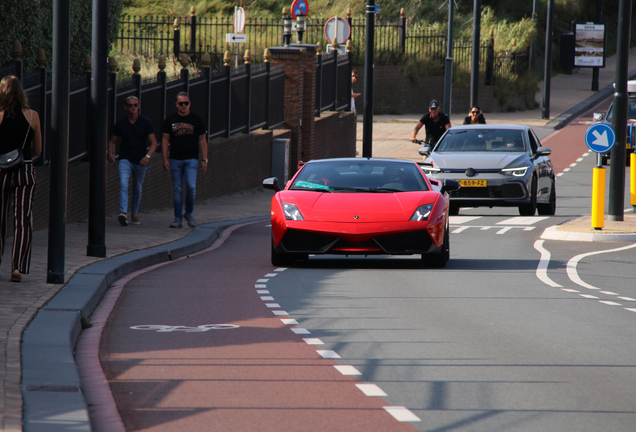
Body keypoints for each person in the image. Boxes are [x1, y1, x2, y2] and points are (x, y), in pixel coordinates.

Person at [0, 76, 42, 282]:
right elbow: (38, 149)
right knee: (22, 220)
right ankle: (17, 267)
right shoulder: (32, 115)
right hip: (24, 170)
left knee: (0, 219)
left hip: (1, 171)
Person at [108, 96, 157, 226]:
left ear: (139, 106)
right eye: (130, 105)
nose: (133, 107)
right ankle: (123, 213)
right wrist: (111, 153)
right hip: (125, 159)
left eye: (135, 105)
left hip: (140, 160)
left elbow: (154, 143)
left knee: (137, 187)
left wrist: (147, 157)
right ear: (126, 107)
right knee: (124, 183)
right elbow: (112, 141)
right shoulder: (121, 123)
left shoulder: (146, 122)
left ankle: (134, 213)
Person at [161, 92, 208, 228]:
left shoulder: (197, 119)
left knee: (191, 187)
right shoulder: (170, 120)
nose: (183, 106)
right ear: (176, 104)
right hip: (175, 159)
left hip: (191, 159)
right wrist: (164, 158)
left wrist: (205, 159)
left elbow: (202, 140)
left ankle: (189, 213)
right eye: (180, 103)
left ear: (189, 104)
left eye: (186, 103)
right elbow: (165, 140)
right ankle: (178, 218)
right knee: (178, 189)